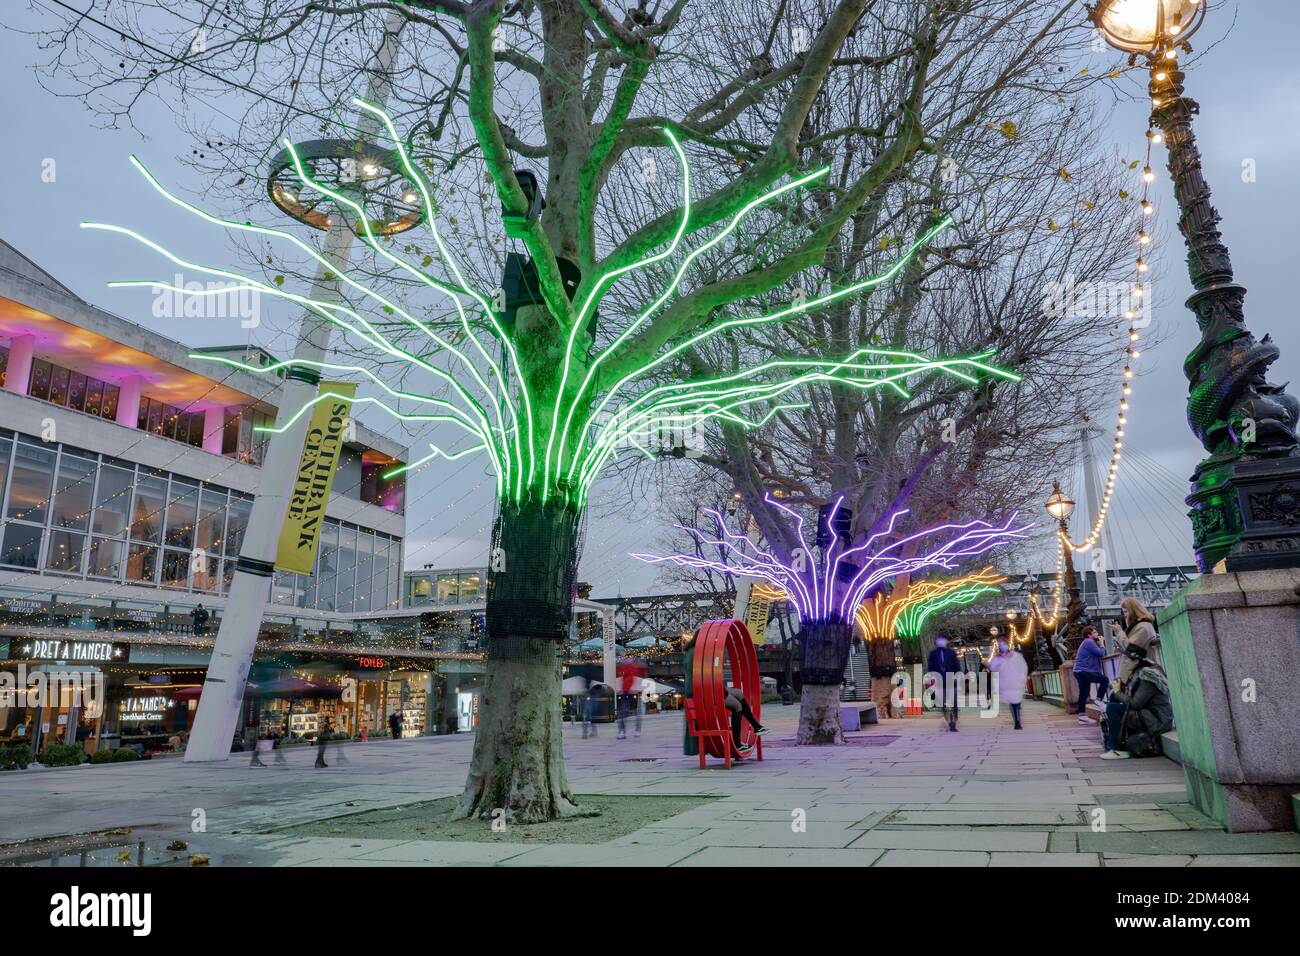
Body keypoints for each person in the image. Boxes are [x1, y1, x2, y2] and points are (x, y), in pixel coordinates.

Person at [1101, 643, 1174, 759]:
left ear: (1136, 661)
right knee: (1113, 701)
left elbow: (1136, 704)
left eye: (1127, 659)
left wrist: (1118, 692)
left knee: (1112, 708)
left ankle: (1118, 749)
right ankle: (1114, 743)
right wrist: (1117, 692)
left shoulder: (1148, 676)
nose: (1124, 662)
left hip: (1158, 720)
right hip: (1148, 715)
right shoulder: (1138, 672)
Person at [1109, 597, 1159, 692]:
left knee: (1122, 703)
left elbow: (1131, 649)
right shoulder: (1141, 626)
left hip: (1141, 673)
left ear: (1133, 611)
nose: (1125, 616)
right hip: (1137, 673)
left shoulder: (1143, 627)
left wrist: (1119, 632)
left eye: (1126, 612)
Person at [986, 638, 1028, 729]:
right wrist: (990, 665)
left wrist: (1022, 678)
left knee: (1016, 702)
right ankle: (1017, 721)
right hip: (1006, 684)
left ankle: (1017, 721)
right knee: (1013, 703)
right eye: (1001, 644)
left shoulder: (1016, 656)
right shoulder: (998, 658)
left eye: (1004, 644)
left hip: (1016, 682)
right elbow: (993, 668)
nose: (1002, 646)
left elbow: (1022, 667)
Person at [1073, 625, 1108, 723]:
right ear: (1089, 635)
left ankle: (1082, 717)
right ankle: (1099, 700)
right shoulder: (1089, 642)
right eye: (1095, 632)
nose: (1097, 634)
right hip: (1084, 671)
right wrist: (1101, 644)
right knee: (1104, 680)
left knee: (1083, 693)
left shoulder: (1087, 642)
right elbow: (1101, 653)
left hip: (1079, 671)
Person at [927, 634, 962, 731]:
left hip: (951, 680)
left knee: (953, 702)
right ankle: (949, 720)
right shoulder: (933, 654)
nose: (941, 641)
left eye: (942, 639)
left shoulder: (951, 653)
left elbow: (957, 666)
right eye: (939, 640)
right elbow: (930, 668)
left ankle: (954, 720)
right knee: (943, 703)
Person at [722, 684, 767, 754]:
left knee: (738, 693)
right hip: (712, 690)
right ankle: (737, 744)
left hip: (714, 687)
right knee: (737, 707)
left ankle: (756, 726)